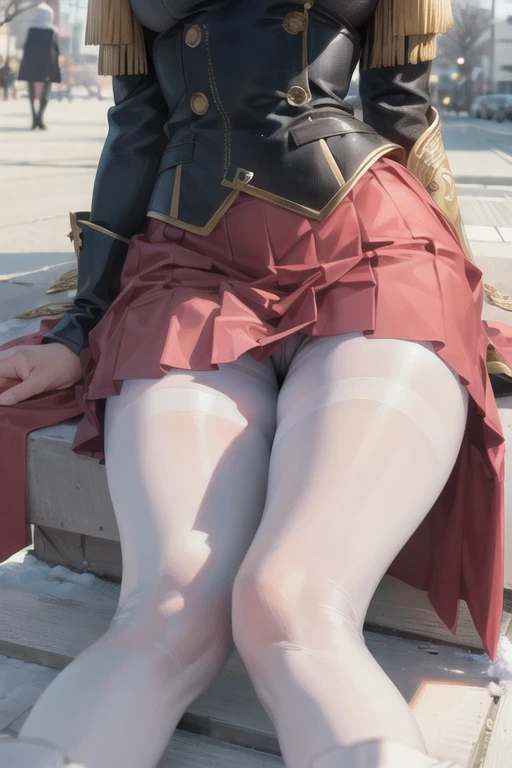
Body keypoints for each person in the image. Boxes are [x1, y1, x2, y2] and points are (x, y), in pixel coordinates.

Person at [0, 0, 512, 766]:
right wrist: (81, 325)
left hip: (373, 254)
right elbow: (136, 127)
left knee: (292, 602)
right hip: (186, 272)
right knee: (170, 609)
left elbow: (400, 108)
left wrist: (461, 293)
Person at [17, 3, 61, 129]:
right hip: (47, 66)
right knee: (45, 94)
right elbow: (55, 51)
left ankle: (35, 118)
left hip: (32, 66)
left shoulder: (32, 30)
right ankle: (39, 118)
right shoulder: (52, 31)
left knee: (31, 93)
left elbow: (27, 49)